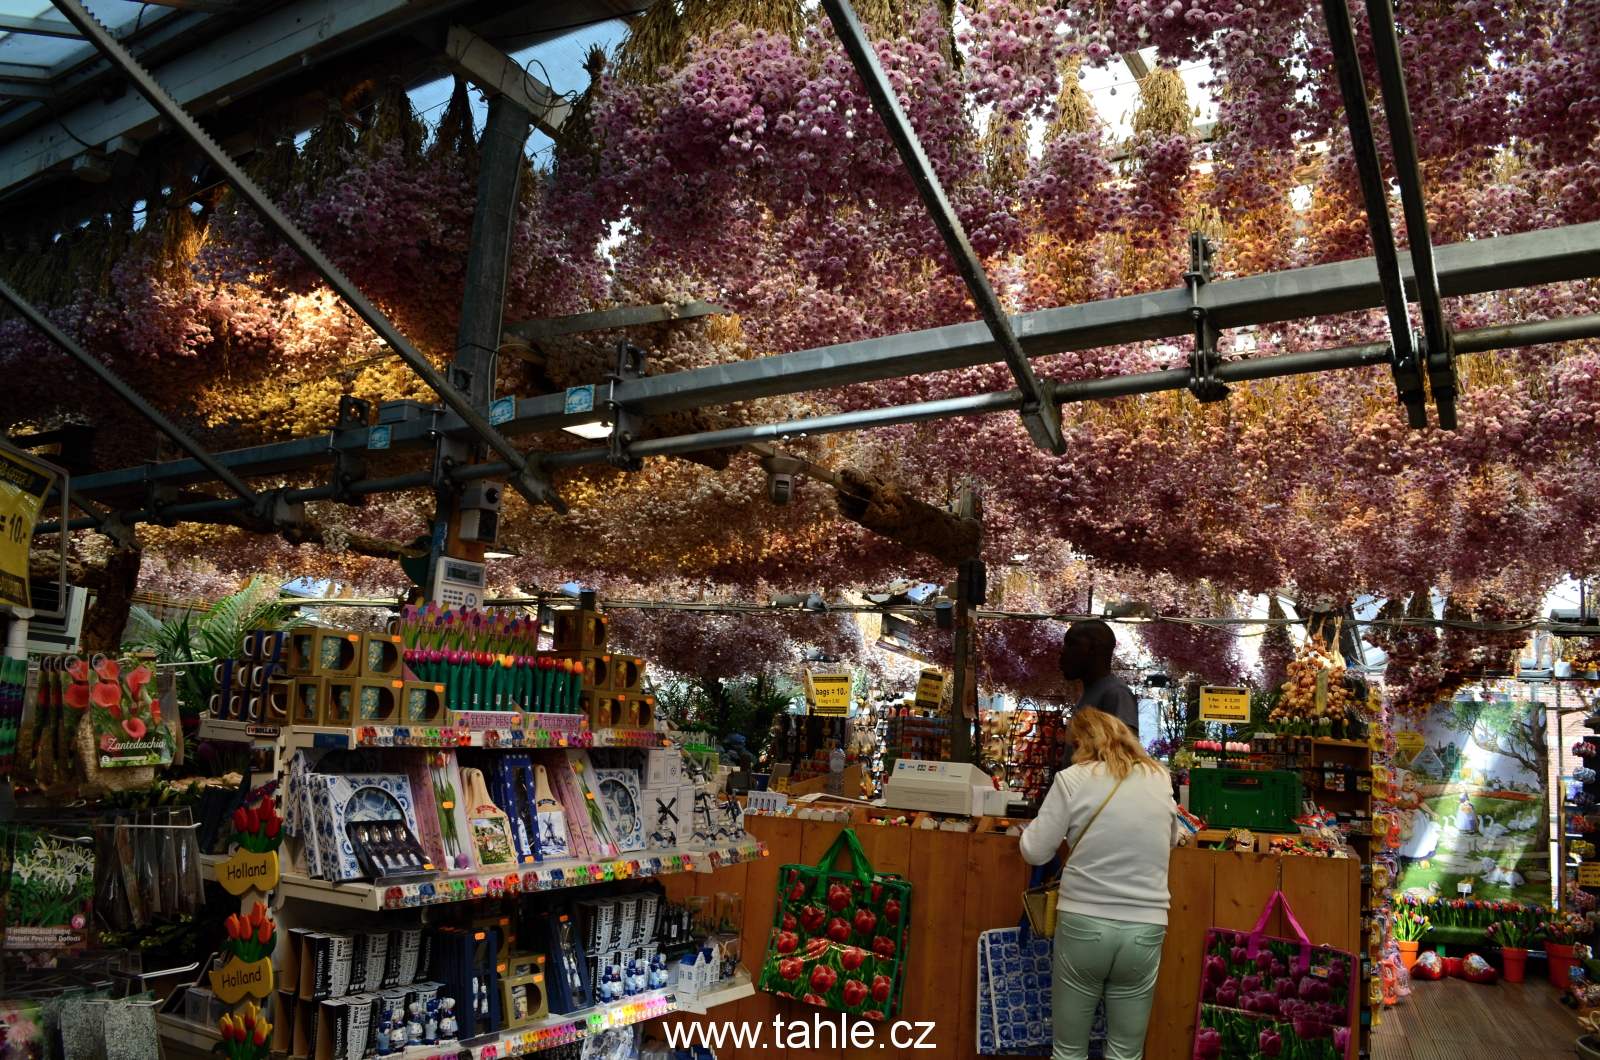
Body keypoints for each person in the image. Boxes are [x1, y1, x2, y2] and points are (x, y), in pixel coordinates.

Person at [1020, 708, 1181, 1060]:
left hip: (1083, 920)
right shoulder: (1159, 777)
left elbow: (1035, 850)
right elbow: (1170, 839)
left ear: (1079, 742)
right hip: (1146, 925)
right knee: (1126, 1051)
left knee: (1069, 1050)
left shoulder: (1073, 779)